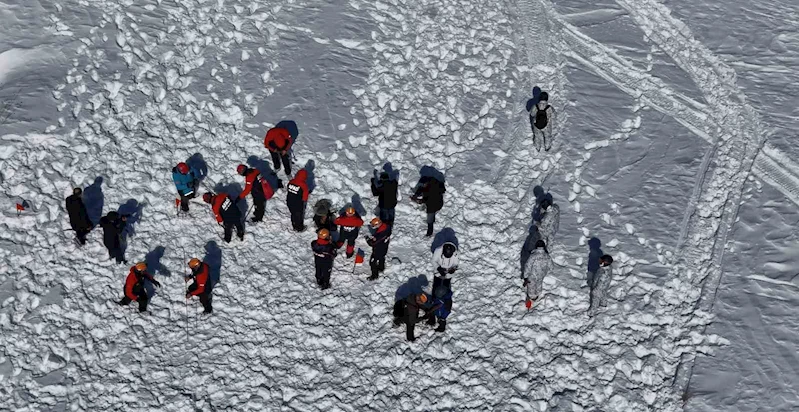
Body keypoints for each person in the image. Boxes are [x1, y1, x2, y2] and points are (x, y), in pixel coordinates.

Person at [522, 240, 552, 307]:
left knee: (531, 286)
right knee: (539, 284)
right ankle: (538, 295)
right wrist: (545, 272)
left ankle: (532, 298)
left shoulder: (533, 256)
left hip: (532, 275)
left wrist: (525, 276)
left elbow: (528, 266)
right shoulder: (547, 256)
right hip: (541, 275)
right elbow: (551, 267)